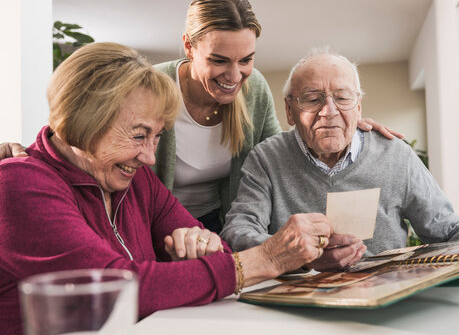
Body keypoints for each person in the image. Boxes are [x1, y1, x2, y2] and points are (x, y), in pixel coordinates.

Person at [0, 43, 365, 335]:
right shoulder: (19, 184)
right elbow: (119, 292)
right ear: (83, 120)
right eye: (140, 135)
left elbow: (218, 249)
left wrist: (202, 246)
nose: (149, 157)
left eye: (157, 137)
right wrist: (267, 258)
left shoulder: (135, 180)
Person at [0, 0, 401, 234]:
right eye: (220, 60)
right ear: (189, 47)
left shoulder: (254, 89)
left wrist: (334, 126)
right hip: (147, 221)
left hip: (221, 222)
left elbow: (277, 157)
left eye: (246, 59)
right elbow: (89, 129)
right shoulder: (151, 87)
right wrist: (27, 154)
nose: (235, 74)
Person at [220, 48, 459, 256]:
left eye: (343, 98)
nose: (329, 111)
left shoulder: (396, 156)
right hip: (301, 304)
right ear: (290, 110)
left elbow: (446, 227)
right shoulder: (266, 159)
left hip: (386, 299)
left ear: (359, 107)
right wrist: (299, 253)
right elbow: (238, 231)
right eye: (313, 99)